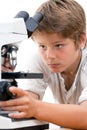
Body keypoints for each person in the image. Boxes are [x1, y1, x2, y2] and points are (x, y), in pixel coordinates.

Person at [0, 0, 87, 129]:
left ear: (81, 40)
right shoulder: (40, 57)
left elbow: (85, 117)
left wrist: (36, 108)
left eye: (59, 45)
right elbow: (26, 102)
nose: (49, 56)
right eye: (42, 46)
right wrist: (7, 90)